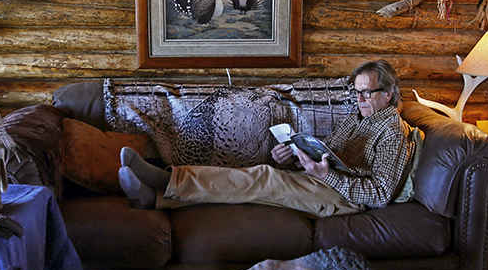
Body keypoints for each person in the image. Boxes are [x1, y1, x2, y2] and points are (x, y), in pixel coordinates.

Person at [117, 59, 416, 217]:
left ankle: (166, 182)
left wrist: (327, 176)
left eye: (367, 92)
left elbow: (379, 195)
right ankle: (155, 200)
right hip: (323, 183)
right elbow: (329, 155)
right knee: (252, 189)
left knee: (264, 179)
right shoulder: (358, 118)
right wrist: (297, 157)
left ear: (387, 95)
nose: (360, 98)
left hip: (345, 199)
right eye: (357, 91)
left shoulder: (391, 132)